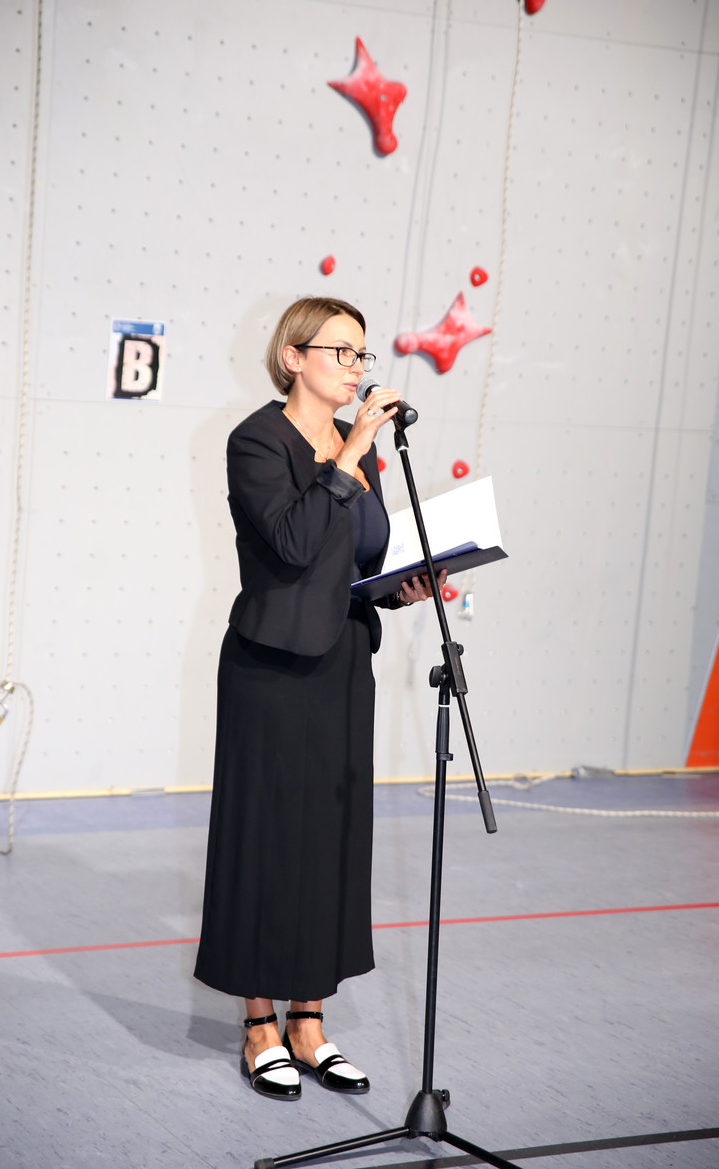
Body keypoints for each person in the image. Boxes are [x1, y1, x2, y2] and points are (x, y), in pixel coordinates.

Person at [194, 296, 444, 1101]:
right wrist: (353, 450)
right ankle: (259, 1025)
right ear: (293, 357)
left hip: (340, 662)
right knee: (266, 838)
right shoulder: (256, 441)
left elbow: (356, 560)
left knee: (330, 839)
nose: (356, 367)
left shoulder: (356, 450)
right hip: (270, 668)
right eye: (341, 351)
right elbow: (295, 541)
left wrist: (401, 589)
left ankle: (309, 1022)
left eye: (362, 354)